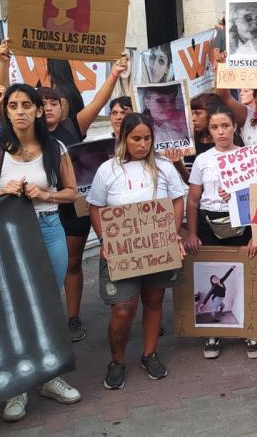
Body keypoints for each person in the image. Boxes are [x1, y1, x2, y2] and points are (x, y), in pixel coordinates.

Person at [0, 84, 81, 422]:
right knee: (15, 307)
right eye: (13, 105)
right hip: (8, 233)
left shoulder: (56, 147)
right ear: (5, 111)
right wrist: (1, 193)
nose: (20, 111)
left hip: (49, 228)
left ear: (39, 110)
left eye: (26, 105)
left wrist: (47, 194)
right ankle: (18, 387)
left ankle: (50, 377)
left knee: (48, 304)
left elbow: (72, 193)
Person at [87, 113, 187, 390]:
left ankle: (149, 354)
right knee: (123, 308)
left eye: (147, 138)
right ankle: (117, 361)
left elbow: (178, 200)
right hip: (122, 249)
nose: (142, 144)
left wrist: (172, 233)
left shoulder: (165, 168)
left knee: (154, 300)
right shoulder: (108, 169)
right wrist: (104, 238)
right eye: (136, 138)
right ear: (124, 138)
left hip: (158, 247)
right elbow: (94, 206)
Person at [40, 57, 127, 343]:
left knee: (73, 262)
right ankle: (47, 316)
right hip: (44, 208)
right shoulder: (29, 134)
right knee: (49, 264)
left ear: (62, 106)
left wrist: (114, 73)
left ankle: (72, 317)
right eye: (44, 104)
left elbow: (99, 101)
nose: (49, 107)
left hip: (75, 206)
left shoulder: (73, 126)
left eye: (54, 102)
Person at [184, 105, 257, 359]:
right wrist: (192, 233)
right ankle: (212, 332)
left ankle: (252, 328)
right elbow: (193, 200)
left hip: (242, 224)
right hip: (208, 225)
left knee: (248, 273)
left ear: (235, 128)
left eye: (225, 126)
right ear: (209, 131)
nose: (221, 132)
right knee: (213, 268)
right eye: (215, 127)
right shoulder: (202, 160)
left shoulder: (248, 157)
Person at [140, 83, 190, 147]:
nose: (169, 106)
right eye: (161, 101)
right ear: (147, 102)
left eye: (172, 100)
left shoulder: (183, 120)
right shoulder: (142, 126)